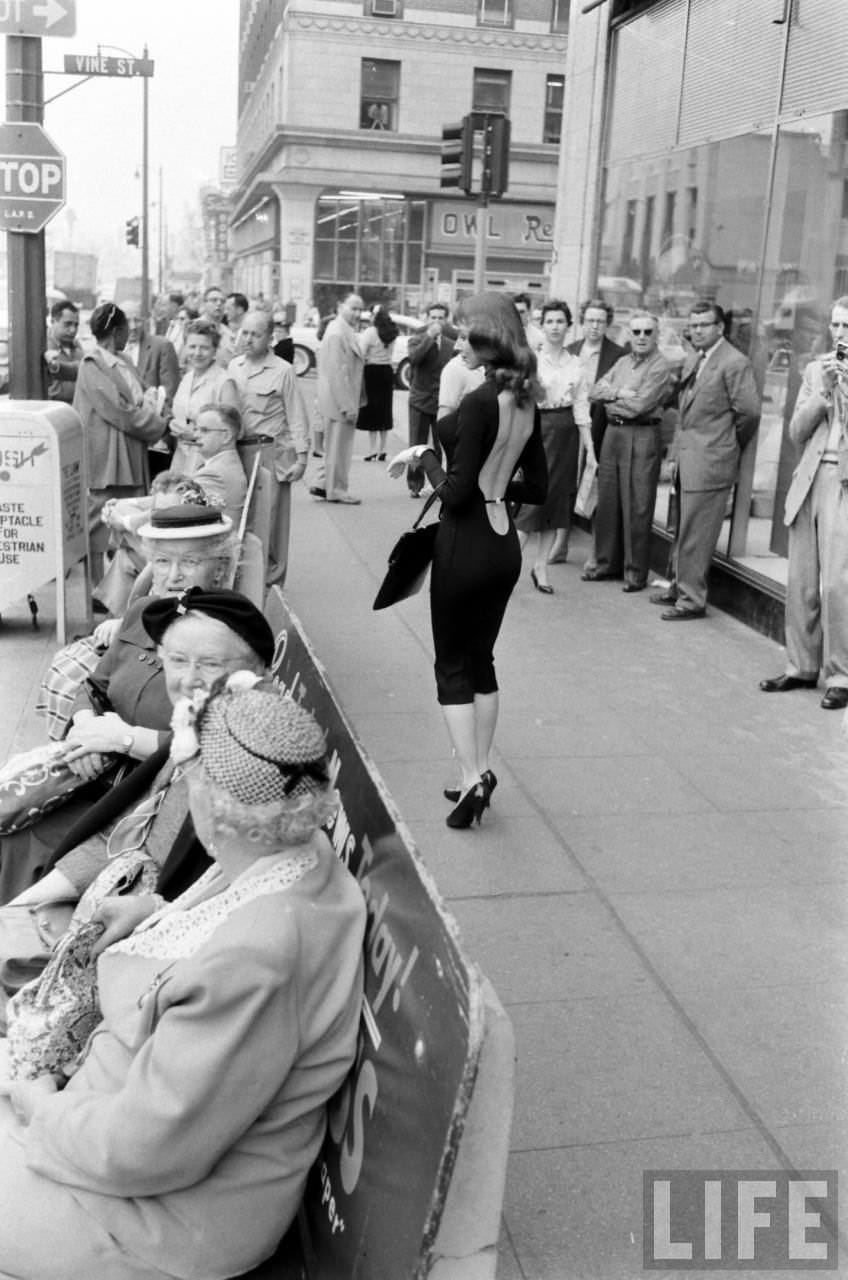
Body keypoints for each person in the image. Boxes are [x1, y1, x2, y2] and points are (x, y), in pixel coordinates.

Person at [0, 672, 365, 1280]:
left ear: (216, 810)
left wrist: (39, 1105)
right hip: (123, 1144)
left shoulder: (255, 960)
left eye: (187, 776)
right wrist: (160, 914)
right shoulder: (294, 855)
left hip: (158, 1217)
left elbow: (147, 1148)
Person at [0, 509, 238, 905]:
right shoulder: (144, 611)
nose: (174, 574)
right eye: (162, 561)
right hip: (92, 780)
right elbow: (94, 685)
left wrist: (122, 739)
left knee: (31, 843)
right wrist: (84, 730)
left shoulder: (227, 638)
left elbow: (214, 746)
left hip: (147, 805)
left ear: (219, 568)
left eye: (190, 561)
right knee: (10, 830)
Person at [387, 292, 547, 829]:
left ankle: (475, 776)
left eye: (464, 332)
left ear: (486, 337)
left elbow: (454, 494)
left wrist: (424, 457)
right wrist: (499, 489)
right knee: (482, 660)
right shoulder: (525, 400)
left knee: (451, 666)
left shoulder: (480, 401)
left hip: (465, 539)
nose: (457, 342)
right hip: (503, 545)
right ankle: (474, 774)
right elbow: (541, 487)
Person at [760, 296, 848, 710]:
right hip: (810, 477)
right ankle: (801, 666)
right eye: (835, 326)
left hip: (843, 483)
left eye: (847, 327)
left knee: (837, 583)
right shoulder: (816, 370)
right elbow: (796, 431)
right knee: (802, 580)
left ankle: (841, 673)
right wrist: (824, 394)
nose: (840, 334)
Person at [651, 301, 760, 620]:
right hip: (688, 458)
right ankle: (677, 587)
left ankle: (691, 599)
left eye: (704, 325)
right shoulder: (695, 359)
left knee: (697, 534)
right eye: (693, 325)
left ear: (720, 328)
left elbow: (749, 412)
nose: (696, 330)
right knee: (683, 529)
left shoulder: (733, 363)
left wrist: (725, 443)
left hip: (711, 460)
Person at [72, 303, 166, 576]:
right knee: (100, 526)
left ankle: (119, 585)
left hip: (130, 452)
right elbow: (120, 412)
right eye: (126, 330)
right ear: (116, 331)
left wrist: (156, 403)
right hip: (107, 459)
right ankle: (96, 588)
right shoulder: (92, 365)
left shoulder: (123, 361)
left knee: (127, 525)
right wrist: (159, 425)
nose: (131, 335)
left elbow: (140, 395)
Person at [583, 311, 673, 591]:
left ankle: (635, 572)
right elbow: (594, 392)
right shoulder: (622, 361)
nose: (642, 337)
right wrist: (619, 394)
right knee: (609, 500)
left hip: (642, 434)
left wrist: (612, 397)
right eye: (636, 332)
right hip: (614, 433)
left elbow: (641, 405)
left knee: (638, 504)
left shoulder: (660, 366)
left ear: (656, 335)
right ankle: (606, 563)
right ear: (629, 335)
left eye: (648, 332)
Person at [222, 309, 310, 585]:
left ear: (270, 338)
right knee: (239, 523)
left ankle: (272, 589)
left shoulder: (283, 371)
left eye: (256, 334)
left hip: (269, 454)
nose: (248, 339)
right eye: (245, 333)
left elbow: (296, 415)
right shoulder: (234, 366)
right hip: (237, 453)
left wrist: (302, 457)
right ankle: (243, 585)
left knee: (270, 527)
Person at [514, 299, 594, 594]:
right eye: (549, 322)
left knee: (555, 503)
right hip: (537, 430)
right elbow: (520, 403)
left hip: (566, 435)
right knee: (531, 505)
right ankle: (503, 566)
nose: (555, 327)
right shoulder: (531, 361)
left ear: (568, 326)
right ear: (542, 325)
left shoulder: (576, 364)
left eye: (560, 321)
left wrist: (590, 451)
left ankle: (540, 567)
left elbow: (582, 407)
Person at [561, 297, 626, 567]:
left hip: (601, 427)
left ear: (608, 324)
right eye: (590, 320)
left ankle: (595, 551)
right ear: (582, 321)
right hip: (570, 428)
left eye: (600, 321)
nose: (595, 326)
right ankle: (560, 542)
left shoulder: (618, 354)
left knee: (598, 488)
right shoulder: (571, 350)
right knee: (565, 484)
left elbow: (616, 392)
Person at [312, 293, 365, 504]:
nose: (357, 313)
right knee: (339, 450)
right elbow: (337, 373)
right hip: (339, 401)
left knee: (335, 448)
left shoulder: (342, 329)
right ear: (340, 305)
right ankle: (337, 490)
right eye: (353, 308)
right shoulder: (337, 332)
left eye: (360, 309)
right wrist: (347, 405)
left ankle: (323, 483)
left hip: (336, 399)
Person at [406, 303, 454, 497]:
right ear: (426, 318)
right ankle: (415, 485)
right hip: (419, 400)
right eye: (432, 317)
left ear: (446, 320)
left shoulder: (451, 344)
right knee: (417, 445)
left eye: (440, 318)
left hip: (441, 401)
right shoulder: (417, 339)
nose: (436, 321)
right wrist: (429, 337)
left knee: (440, 444)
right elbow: (414, 359)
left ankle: (439, 485)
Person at [169, 319, 229, 475]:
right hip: (182, 458)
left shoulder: (224, 381)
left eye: (204, 348)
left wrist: (195, 435)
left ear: (215, 350)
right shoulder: (187, 378)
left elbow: (232, 432)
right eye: (192, 347)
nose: (197, 353)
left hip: (208, 464)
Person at [192, 403, 249, 525]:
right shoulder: (223, 464)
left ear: (226, 436)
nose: (195, 435)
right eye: (195, 429)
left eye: (204, 430)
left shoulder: (214, 474)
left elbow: (180, 509)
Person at [358, 305, 398, 460]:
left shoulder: (370, 332)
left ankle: (372, 449)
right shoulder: (392, 333)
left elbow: (361, 352)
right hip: (387, 372)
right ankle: (384, 448)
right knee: (385, 410)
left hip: (372, 372)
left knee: (372, 410)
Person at [43, 300, 83, 404]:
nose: (73, 330)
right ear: (52, 321)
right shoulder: (43, 347)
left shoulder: (77, 347)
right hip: (54, 410)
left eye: (76, 325)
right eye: (68, 324)